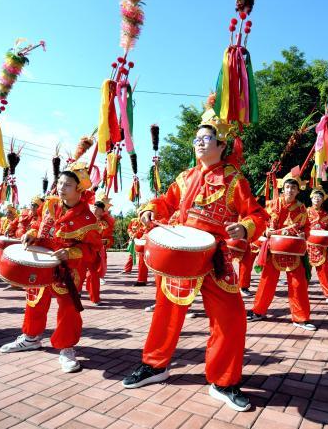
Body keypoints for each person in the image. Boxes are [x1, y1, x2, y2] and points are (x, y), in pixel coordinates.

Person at [121, 111, 267, 412]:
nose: (200, 143)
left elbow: (257, 214)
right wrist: (150, 209)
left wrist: (245, 227)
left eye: (207, 138)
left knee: (231, 320)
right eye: (197, 139)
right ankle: (155, 365)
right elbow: (166, 201)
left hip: (215, 258)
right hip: (180, 257)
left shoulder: (233, 180)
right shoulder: (185, 178)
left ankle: (224, 381)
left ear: (221, 144)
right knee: (165, 314)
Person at [0, 161, 102, 373]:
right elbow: (39, 224)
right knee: (35, 299)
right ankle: (31, 337)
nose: (61, 188)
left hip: (69, 268)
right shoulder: (51, 204)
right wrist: (31, 233)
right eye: (60, 183)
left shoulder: (88, 219)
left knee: (68, 308)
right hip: (42, 260)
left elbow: (93, 251)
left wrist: (71, 252)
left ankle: (66, 347)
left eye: (67, 185)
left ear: (79, 190)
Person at [247, 170, 316, 331]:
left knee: (298, 284)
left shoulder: (301, 209)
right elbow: (261, 222)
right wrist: (265, 231)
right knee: (267, 281)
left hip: (293, 251)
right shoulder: (272, 204)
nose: (290, 190)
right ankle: (258, 311)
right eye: (287, 187)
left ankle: (300, 318)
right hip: (274, 249)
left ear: (298, 191)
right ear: (282, 188)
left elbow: (307, 228)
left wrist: (303, 234)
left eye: (293, 188)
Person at [306, 186, 328, 305]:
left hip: (321, 248)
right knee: (304, 271)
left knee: (324, 271)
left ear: (323, 200)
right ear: (311, 198)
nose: (317, 199)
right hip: (306, 246)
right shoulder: (304, 212)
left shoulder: (326, 215)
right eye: (315, 197)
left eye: (319, 197)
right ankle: (300, 293)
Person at [85, 192, 114, 305]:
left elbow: (107, 239)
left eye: (98, 209)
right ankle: (82, 292)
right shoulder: (85, 219)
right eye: (94, 207)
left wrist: (103, 242)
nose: (95, 210)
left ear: (102, 211)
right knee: (79, 273)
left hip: (95, 251)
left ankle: (95, 297)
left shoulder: (104, 224)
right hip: (82, 249)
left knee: (93, 274)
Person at [124, 216, 149, 285]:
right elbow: (129, 229)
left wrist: (137, 234)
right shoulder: (133, 220)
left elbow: (145, 230)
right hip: (136, 241)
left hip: (144, 241)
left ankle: (142, 279)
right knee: (132, 254)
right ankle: (128, 269)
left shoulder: (148, 220)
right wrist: (131, 234)